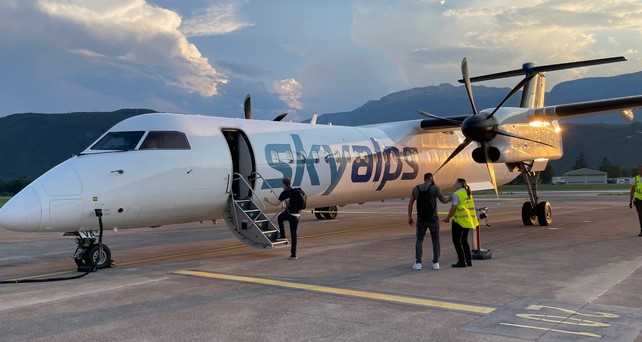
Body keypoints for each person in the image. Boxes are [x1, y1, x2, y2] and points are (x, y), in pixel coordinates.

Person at [407, 172, 451, 271]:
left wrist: (410, 216)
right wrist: (452, 197)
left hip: (421, 219)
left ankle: (418, 263)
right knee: (435, 240)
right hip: (433, 218)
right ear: (430, 178)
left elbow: (410, 204)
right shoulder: (435, 188)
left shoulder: (416, 188)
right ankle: (436, 263)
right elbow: (444, 200)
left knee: (419, 240)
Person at [443, 178, 478, 268]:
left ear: (460, 184)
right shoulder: (467, 193)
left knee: (456, 241)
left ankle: (461, 261)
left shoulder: (457, 194)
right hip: (468, 221)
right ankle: (469, 260)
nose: (454, 184)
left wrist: (447, 218)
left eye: (456, 182)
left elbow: (453, 208)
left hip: (459, 221)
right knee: (464, 240)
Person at [264, 178, 301, 259]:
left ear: (284, 185)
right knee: (293, 234)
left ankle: (283, 235)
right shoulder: (296, 191)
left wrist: (267, 201)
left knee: (280, 218)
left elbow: (276, 204)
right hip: (297, 214)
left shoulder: (284, 193)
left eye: (282, 184)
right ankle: (294, 254)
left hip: (290, 214)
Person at [629, 164, 642, 237]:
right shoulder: (635, 179)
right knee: (640, 215)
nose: (640, 171)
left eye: (641, 169)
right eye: (639, 169)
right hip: (638, 200)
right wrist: (630, 201)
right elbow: (632, 191)